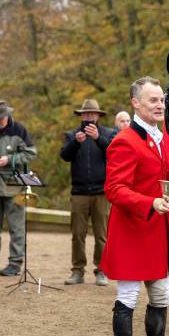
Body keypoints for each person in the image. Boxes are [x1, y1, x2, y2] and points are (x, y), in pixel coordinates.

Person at [99, 76, 169, 336]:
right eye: (153, 100)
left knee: (162, 296)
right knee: (129, 298)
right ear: (135, 103)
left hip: (157, 232)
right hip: (133, 231)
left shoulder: (163, 139)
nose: (160, 105)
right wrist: (149, 202)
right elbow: (114, 189)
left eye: (162, 100)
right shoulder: (124, 140)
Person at [60, 99, 115, 286]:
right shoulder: (71, 134)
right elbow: (64, 156)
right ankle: (77, 271)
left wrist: (98, 138)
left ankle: (101, 270)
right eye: (85, 114)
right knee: (77, 234)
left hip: (101, 192)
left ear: (98, 115)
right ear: (81, 115)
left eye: (92, 114)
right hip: (79, 193)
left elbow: (114, 153)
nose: (89, 117)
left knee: (102, 235)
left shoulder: (108, 133)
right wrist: (75, 142)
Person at [0, 100, 37, 276]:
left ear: (6, 115)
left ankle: (15, 263)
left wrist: (9, 159)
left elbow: (31, 153)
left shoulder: (19, 130)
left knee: (17, 229)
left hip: (14, 188)